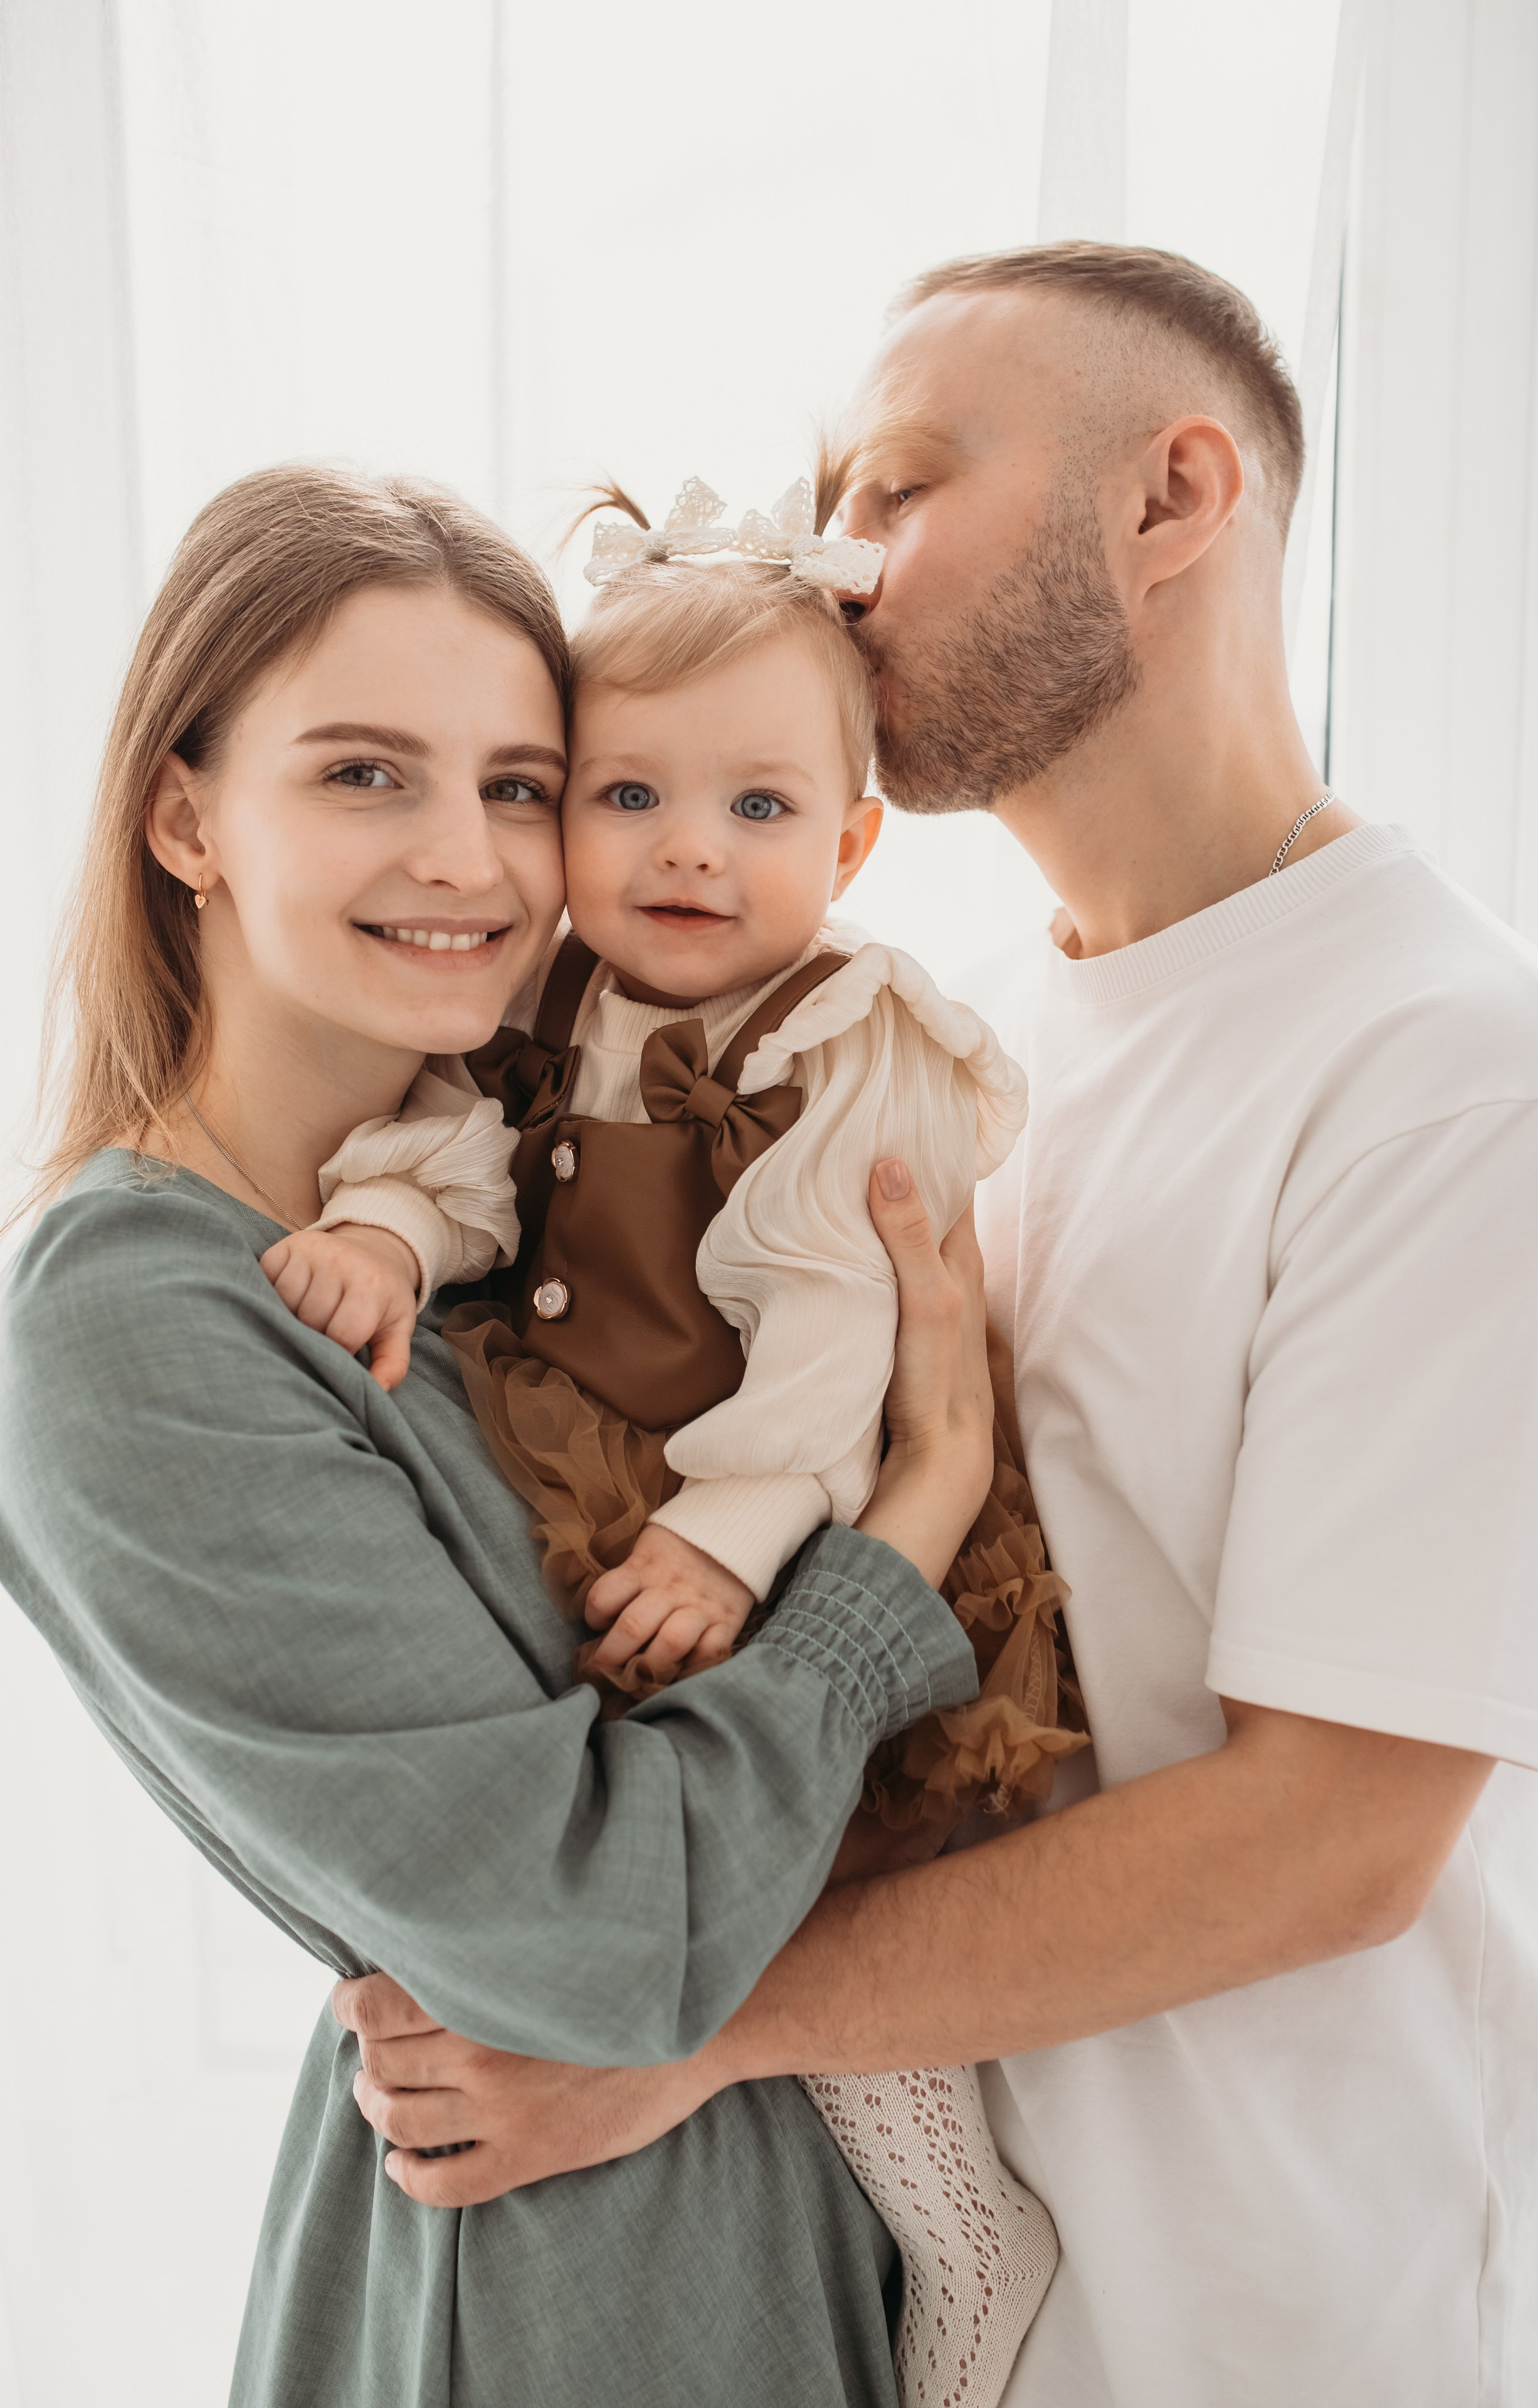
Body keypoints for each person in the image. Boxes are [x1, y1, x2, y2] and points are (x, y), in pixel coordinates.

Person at [339, 244, 1538, 2407]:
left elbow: (1337, 1837)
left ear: (1172, 497)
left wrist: (678, 2025)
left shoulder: (1454, 1072)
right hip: (952, 2296)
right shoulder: (962, 1034)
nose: (830, 573)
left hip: (1300, 2318)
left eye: (899, 486)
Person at [0, 462, 997, 2408]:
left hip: (752, 2207)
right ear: (187, 818)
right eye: (366, 774)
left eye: (524, 785)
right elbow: (600, 1937)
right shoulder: (132, 1318)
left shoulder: (527, 1193)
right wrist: (916, 1520)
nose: (469, 859)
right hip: (560, 2289)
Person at [260, 512, 1085, 2407]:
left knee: (842, 1873)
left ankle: (961, 2222)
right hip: (610, 1467)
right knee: (663, 1847)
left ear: (852, 842)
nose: (690, 849)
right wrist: (388, 1235)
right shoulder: (545, 995)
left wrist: (730, 1540)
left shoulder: (848, 1041)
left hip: (798, 1510)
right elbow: (468, 1155)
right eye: (630, 793)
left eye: (761, 809)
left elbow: (829, 1334)